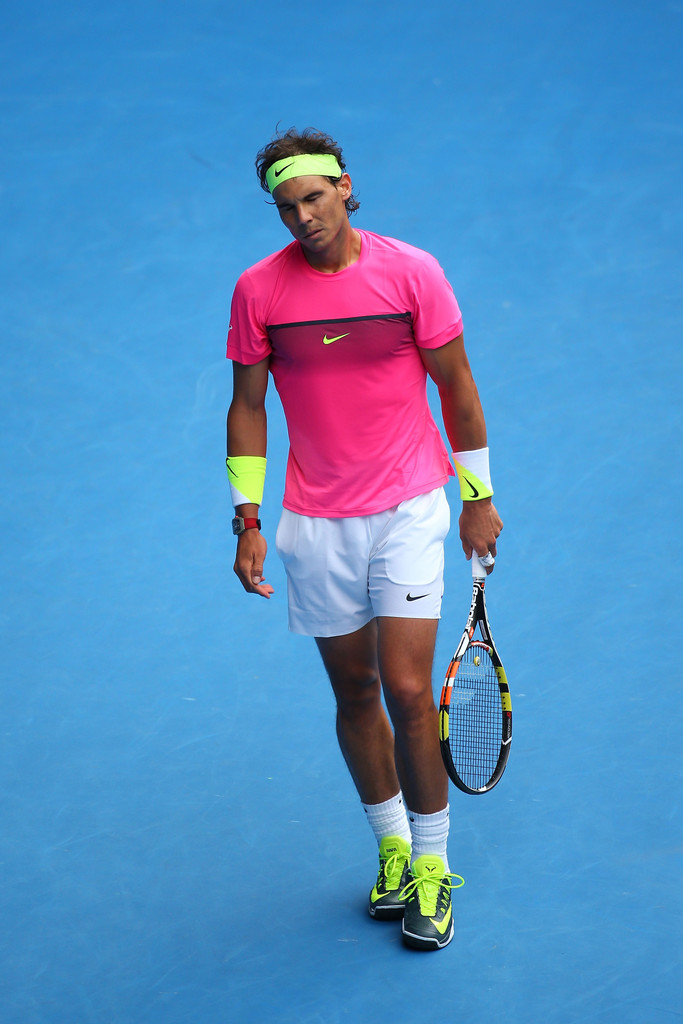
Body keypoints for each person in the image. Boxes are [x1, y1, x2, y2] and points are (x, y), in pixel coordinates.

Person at [225, 127, 503, 951]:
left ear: (345, 188)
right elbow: (247, 407)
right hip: (315, 524)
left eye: (313, 198)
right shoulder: (257, 291)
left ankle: (428, 866)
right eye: (286, 207)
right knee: (353, 695)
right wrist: (245, 519)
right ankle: (388, 848)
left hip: (410, 508)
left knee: (409, 692)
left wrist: (475, 495)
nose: (302, 217)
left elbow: (454, 383)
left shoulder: (411, 271)